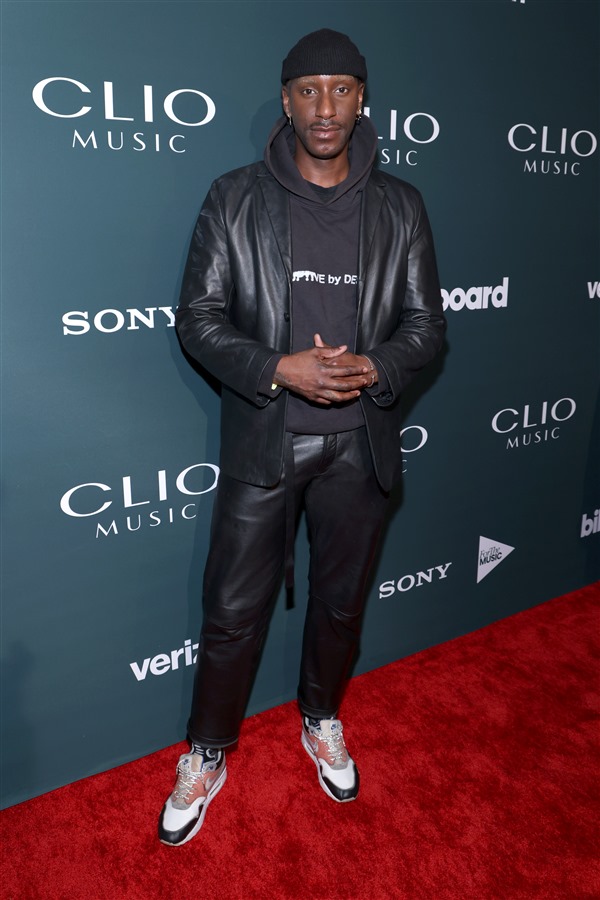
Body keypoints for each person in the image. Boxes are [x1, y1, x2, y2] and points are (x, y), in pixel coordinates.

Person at [159, 28, 446, 847]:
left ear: (362, 100)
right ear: (286, 102)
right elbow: (197, 319)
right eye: (309, 90)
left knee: (341, 604)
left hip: (362, 445)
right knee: (232, 611)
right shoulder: (234, 197)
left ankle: (321, 717)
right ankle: (207, 749)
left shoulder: (401, 205)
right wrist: (279, 369)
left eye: (341, 89)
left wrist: (375, 365)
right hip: (266, 443)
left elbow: (427, 326)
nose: (326, 107)